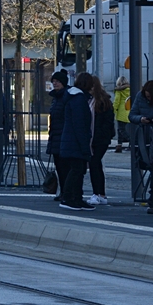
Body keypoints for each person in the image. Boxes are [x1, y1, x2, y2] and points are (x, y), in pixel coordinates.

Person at [59, 74, 95, 211]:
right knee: (77, 170)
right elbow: (80, 124)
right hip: (75, 141)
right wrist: (85, 145)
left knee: (77, 170)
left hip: (70, 140)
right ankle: (69, 198)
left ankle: (76, 198)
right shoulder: (79, 100)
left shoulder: (73, 98)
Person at [80, 73, 116, 206]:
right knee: (95, 164)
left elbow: (107, 122)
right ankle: (100, 193)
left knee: (94, 163)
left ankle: (99, 193)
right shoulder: (89, 100)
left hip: (99, 138)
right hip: (95, 138)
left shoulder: (101, 101)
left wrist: (103, 134)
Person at [47, 70, 69, 201]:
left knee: (65, 167)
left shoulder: (65, 97)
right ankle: (63, 191)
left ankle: (66, 191)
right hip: (56, 136)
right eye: (54, 81)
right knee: (59, 167)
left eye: (57, 82)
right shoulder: (55, 98)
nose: (55, 84)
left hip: (63, 137)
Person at [112, 76, 132, 153]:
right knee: (127, 130)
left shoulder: (119, 91)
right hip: (129, 112)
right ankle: (125, 145)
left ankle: (120, 145)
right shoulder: (131, 90)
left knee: (121, 130)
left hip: (122, 113)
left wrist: (113, 111)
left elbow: (116, 102)